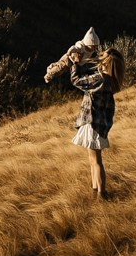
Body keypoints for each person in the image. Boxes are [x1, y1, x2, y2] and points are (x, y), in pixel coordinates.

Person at [44, 28, 121, 199]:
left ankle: (101, 194)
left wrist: (76, 64)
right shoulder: (110, 80)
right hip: (98, 123)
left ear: (106, 63)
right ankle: (97, 192)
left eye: (102, 59)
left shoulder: (101, 79)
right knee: (93, 161)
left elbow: (77, 81)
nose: (98, 59)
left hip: (93, 121)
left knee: (96, 161)